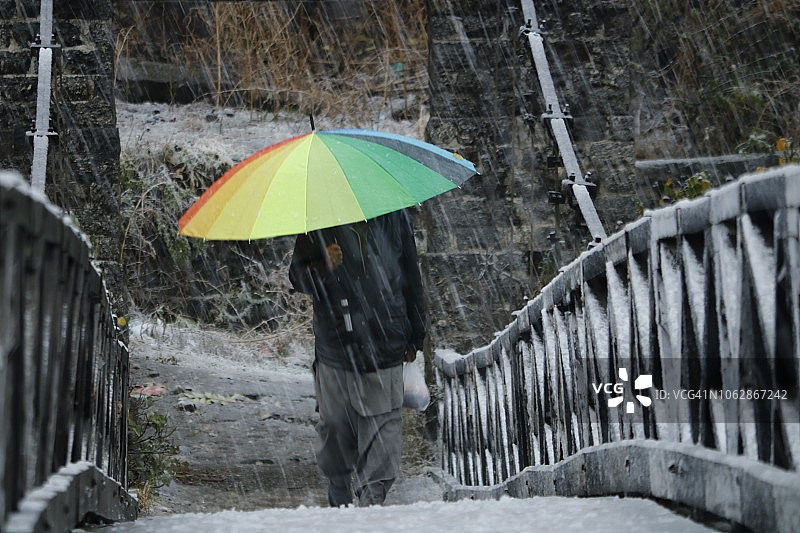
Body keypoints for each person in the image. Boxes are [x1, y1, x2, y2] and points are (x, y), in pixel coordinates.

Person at [289, 209, 426, 507]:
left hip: (385, 340)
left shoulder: (394, 215)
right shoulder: (320, 216)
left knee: (383, 433)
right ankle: (338, 491)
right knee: (336, 430)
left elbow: (410, 273)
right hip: (336, 344)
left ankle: (370, 509)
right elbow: (297, 277)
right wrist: (323, 265)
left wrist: (416, 333)